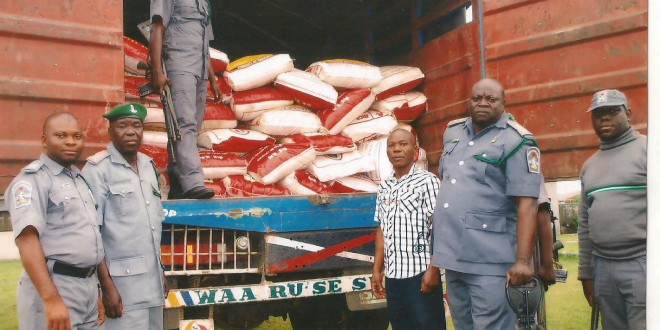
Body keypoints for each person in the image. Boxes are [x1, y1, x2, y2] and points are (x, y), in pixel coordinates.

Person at [431, 78, 541, 329]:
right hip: (453, 257)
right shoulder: (452, 132)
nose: (483, 104)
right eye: (476, 98)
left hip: (489, 261)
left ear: (504, 103)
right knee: (462, 325)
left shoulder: (517, 141)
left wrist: (523, 261)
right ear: (468, 101)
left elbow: (527, 204)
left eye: (491, 100)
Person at [5, 112, 104, 330]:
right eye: (61, 135)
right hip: (54, 286)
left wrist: (92, 290)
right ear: (44, 141)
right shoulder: (33, 180)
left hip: (85, 287)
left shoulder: (79, 179)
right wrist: (50, 299)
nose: (70, 141)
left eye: (77, 136)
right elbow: (27, 241)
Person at [82, 103, 168, 329]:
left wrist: (161, 274)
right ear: (110, 132)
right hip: (122, 289)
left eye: (136, 126)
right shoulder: (97, 169)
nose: (131, 131)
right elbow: (92, 233)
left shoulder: (148, 165)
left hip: (152, 286)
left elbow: (152, 226)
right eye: (122, 126)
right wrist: (106, 286)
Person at [577, 89, 646, 330]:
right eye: (598, 114)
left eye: (612, 111)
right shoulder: (589, 167)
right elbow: (584, 225)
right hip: (603, 267)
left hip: (642, 262)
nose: (604, 118)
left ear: (628, 114)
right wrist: (586, 274)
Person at [371, 129, 445, 330]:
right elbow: (382, 229)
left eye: (403, 144)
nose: (396, 149)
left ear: (415, 150)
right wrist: (377, 270)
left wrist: (433, 270)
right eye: (392, 145)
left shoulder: (427, 182)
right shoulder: (384, 186)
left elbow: (438, 226)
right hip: (394, 277)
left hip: (420, 275)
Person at [149, 0, 220, 199]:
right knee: (183, 123)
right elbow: (156, 29)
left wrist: (213, 80)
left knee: (193, 127)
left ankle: (177, 177)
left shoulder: (204, 2)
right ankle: (193, 181)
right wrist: (156, 72)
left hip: (200, 71)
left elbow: (205, 42)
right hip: (178, 66)